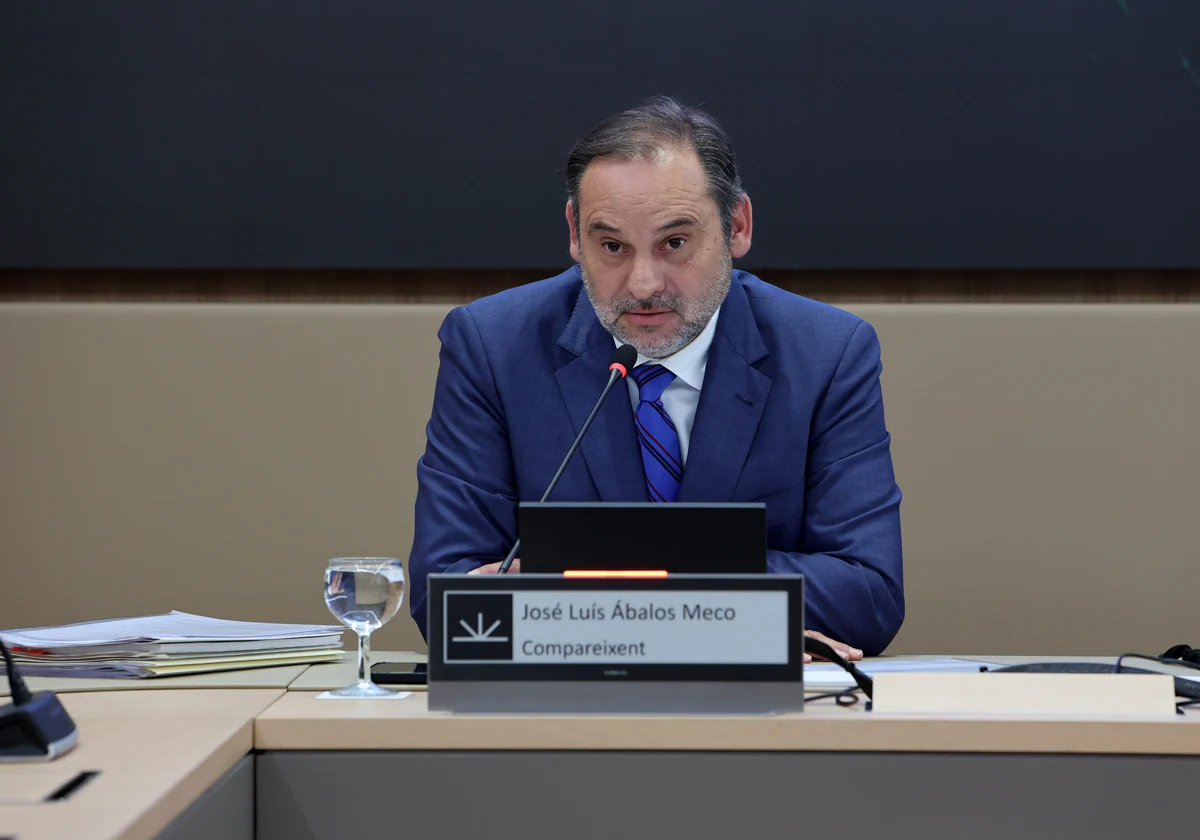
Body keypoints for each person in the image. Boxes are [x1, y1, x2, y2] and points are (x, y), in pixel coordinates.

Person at [407, 97, 903, 658]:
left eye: (674, 243)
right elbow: (445, 593)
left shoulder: (827, 354)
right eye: (612, 246)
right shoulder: (493, 347)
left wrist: (592, 583)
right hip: (560, 715)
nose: (642, 285)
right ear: (575, 234)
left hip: (758, 719)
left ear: (736, 226)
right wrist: (731, 614)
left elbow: (868, 594)